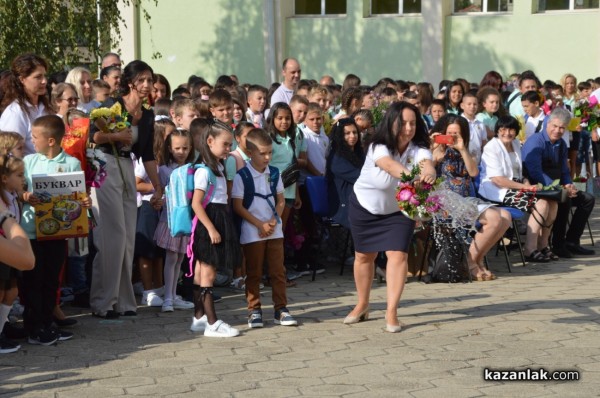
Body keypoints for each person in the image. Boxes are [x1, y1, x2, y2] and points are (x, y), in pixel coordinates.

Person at [346, 102, 436, 332]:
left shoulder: (419, 147)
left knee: (397, 256)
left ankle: (391, 312)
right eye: (403, 123)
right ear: (391, 123)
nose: (408, 128)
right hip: (364, 206)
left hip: (398, 210)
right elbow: (389, 166)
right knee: (364, 257)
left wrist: (429, 172)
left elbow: (427, 163)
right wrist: (412, 175)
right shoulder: (378, 146)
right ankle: (362, 304)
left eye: (413, 123)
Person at [90, 60, 162, 319]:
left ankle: (123, 300)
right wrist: (115, 137)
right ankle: (102, 302)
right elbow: (93, 137)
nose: (146, 85)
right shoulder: (111, 106)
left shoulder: (148, 114)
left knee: (127, 238)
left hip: (127, 168)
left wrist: (158, 187)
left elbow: (147, 153)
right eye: (141, 80)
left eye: (149, 80)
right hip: (105, 166)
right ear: (130, 82)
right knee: (113, 236)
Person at [20, 115, 91, 345]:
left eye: (35, 137)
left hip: (58, 233)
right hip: (31, 231)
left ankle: (47, 322)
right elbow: (18, 189)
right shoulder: (29, 161)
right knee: (33, 280)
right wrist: (26, 196)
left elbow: (77, 195)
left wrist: (84, 203)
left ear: (51, 140)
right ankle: (33, 326)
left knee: (51, 280)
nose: (31, 141)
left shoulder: (71, 163)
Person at [431, 114, 511, 281]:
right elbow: (428, 169)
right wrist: (435, 148)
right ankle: (471, 263)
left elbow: (474, 172)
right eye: (449, 133)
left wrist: (462, 148)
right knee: (495, 218)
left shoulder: (466, 151)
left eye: (456, 134)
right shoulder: (436, 151)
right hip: (447, 202)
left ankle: (476, 259)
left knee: (506, 217)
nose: (452, 137)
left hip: (467, 200)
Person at [232, 128, 298, 328]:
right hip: (252, 231)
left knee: (278, 271)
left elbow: (280, 200)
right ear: (250, 153)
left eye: (270, 152)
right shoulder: (242, 175)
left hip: (273, 229)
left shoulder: (275, 172)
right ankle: (254, 310)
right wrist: (259, 224)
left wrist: (271, 221)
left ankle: (281, 309)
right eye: (263, 153)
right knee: (254, 272)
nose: (268, 157)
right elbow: (237, 206)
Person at [479, 116, 559, 262]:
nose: (507, 133)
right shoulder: (491, 147)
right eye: (503, 129)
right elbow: (498, 179)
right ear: (497, 131)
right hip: (497, 189)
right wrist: (525, 187)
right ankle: (530, 249)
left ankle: (543, 245)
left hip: (516, 186)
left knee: (552, 202)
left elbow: (519, 172)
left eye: (511, 129)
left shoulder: (515, 143)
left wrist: (526, 182)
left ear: (516, 132)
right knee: (541, 204)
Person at [189, 122, 242, 337]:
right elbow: (196, 203)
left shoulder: (218, 166)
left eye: (230, 144)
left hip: (217, 218)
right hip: (210, 221)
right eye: (225, 144)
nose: (228, 149)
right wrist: (211, 228)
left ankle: (199, 317)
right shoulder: (204, 171)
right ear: (209, 142)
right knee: (207, 273)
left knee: (201, 272)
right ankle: (212, 322)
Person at [522, 107, 595, 258]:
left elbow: (563, 169)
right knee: (563, 198)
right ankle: (557, 244)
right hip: (537, 187)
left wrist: (568, 184)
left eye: (562, 128)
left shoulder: (561, 143)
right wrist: (560, 188)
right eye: (555, 126)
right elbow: (535, 172)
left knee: (587, 199)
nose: (557, 130)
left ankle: (572, 241)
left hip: (556, 186)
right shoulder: (536, 141)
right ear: (547, 123)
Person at [154, 127, 195, 312]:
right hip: (170, 219)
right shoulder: (163, 169)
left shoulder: (192, 169)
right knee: (171, 258)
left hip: (186, 220)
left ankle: (173, 295)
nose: (181, 152)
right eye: (177, 148)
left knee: (179, 258)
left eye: (185, 148)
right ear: (170, 148)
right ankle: (168, 298)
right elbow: (160, 193)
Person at [0, 54, 52, 156]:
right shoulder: (15, 113)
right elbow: (10, 156)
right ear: (22, 79)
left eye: (44, 75)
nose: (44, 81)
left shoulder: (45, 107)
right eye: (38, 77)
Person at [0, 153, 27, 353]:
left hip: (13, 249)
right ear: (4, 178)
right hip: (4, 249)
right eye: (19, 175)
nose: (23, 179)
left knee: (12, 291)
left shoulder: (15, 196)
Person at [326, 118, 365, 229]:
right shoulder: (337, 159)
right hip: (344, 209)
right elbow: (362, 178)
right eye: (347, 133)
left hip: (359, 202)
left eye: (355, 132)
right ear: (339, 136)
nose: (352, 136)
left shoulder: (359, 154)